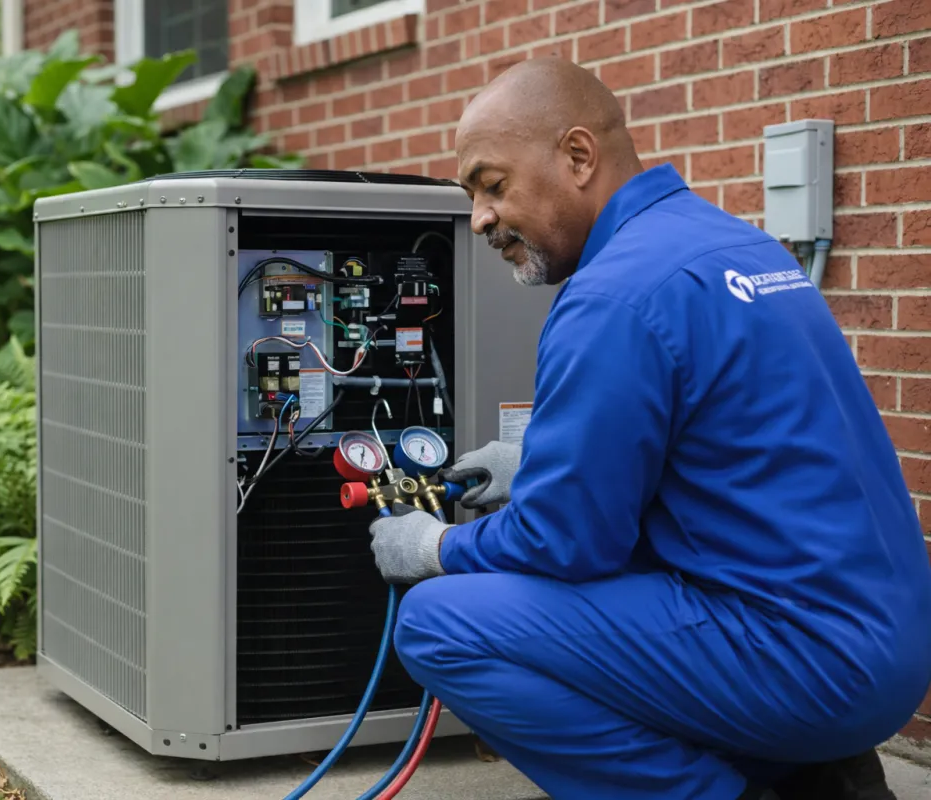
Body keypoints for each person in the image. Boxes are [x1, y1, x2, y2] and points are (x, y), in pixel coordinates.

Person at [366, 56, 931, 800]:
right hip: (888, 650)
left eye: (492, 185)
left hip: (806, 664)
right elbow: (734, 430)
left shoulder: (611, 297)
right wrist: (540, 456)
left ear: (576, 156)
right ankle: (812, 773)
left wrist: (435, 545)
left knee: (441, 621)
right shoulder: (736, 245)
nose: (479, 220)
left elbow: (561, 545)